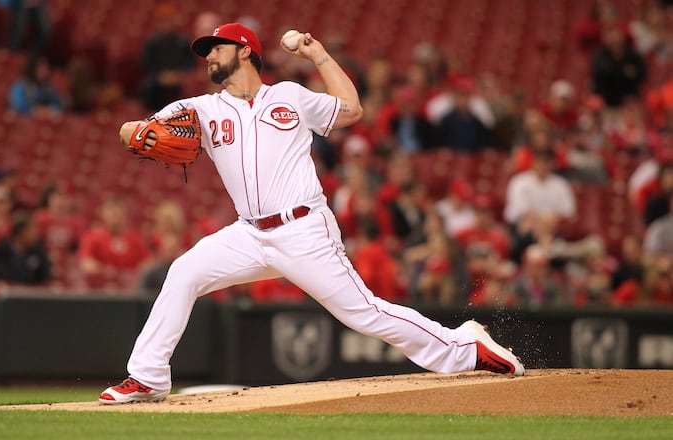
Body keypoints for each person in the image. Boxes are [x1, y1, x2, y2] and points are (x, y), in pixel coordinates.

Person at [100, 23, 524, 405]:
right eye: (207, 50)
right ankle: (148, 377)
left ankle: (464, 347)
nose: (208, 55)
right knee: (184, 272)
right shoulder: (201, 109)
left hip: (303, 228)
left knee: (364, 313)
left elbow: (352, 110)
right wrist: (136, 133)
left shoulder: (289, 96)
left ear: (245, 51)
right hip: (248, 234)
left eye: (217, 47)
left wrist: (317, 54)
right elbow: (129, 130)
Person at [0, 211, 52, 286]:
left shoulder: (38, 252)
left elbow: (46, 278)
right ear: (20, 232)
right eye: (32, 230)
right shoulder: (1, 250)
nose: (36, 234)